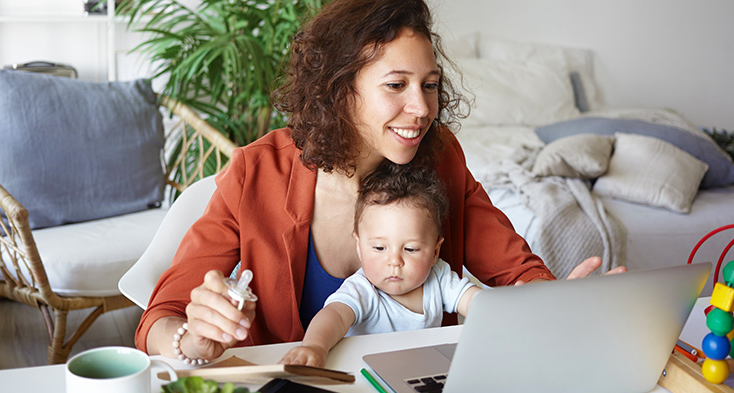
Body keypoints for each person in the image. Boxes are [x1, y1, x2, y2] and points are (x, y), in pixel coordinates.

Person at [135, 0, 621, 364]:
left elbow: (516, 272)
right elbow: (160, 317)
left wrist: (558, 304)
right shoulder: (256, 172)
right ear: (340, 89)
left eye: (430, 85)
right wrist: (190, 339)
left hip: (413, 391)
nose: (423, 108)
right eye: (396, 85)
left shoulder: (442, 159)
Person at [279, 162, 481, 367]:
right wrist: (315, 346)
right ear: (359, 246)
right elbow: (335, 316)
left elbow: (476, 302)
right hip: (364, 374)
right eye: (379, 248)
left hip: (418, 372)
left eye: (410, 249)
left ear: (435, 252)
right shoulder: (364, 289)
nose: (394, 261)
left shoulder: (438, 277)